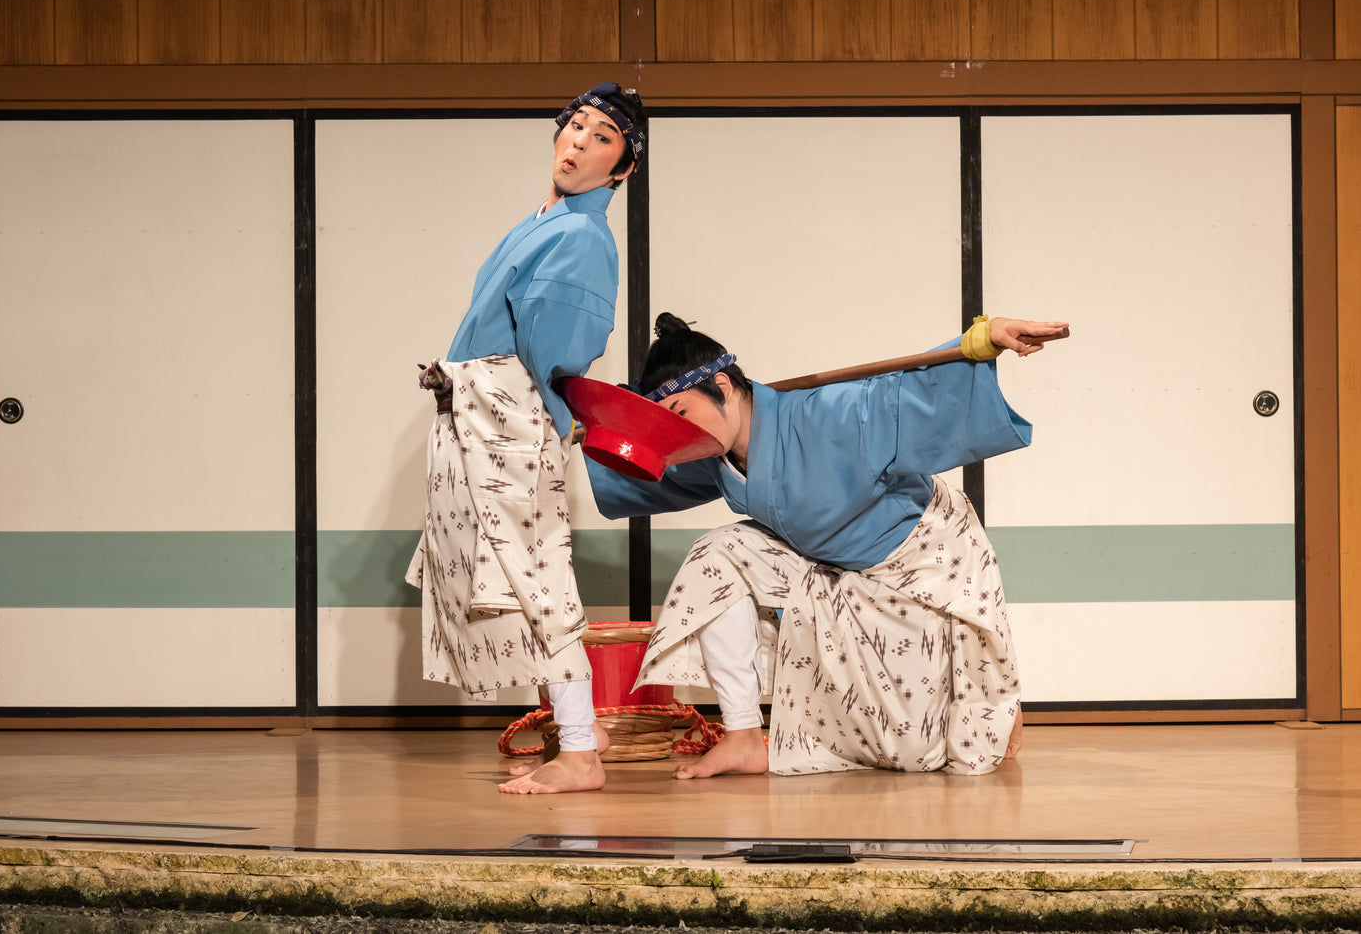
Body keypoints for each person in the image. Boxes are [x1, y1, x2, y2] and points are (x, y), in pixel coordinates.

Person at [585, 312, 1068, 779]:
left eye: (683, 414)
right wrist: (596, 424)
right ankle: (743, 734)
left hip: (923, 561)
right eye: (672, 423)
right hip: (834, 570)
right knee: (714, 559)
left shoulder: (833, 415)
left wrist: (982, 341)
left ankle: (984, 705)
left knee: (915, 752)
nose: (681, 434)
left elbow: (905, 394)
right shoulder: (711, 453)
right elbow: (646, 467)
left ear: (725, 388)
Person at [404, 83, 647, 795]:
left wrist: (536, 401)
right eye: (575, 126)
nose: (579, 141)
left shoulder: (577, 234)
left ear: (622, 167)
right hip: (483, 406)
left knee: (532, 573)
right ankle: (578, 728)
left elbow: (560, 349)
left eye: (603, 136)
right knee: (515, 567)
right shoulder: (545, 221)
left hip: (507, 410)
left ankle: (579, 749)